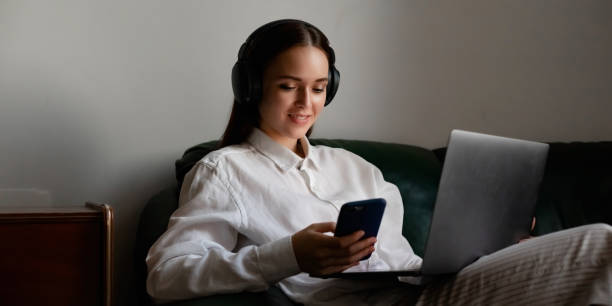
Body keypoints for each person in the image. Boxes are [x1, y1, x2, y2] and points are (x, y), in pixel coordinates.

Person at [146, 19, 612, 305]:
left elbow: (406, 263)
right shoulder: (225, 171)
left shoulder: (357, 168)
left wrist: (494, 248)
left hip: (422, 292)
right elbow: (165, 277)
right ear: (252, 88)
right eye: (289, 85)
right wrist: (289, 255)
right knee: (601, 243)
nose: (306, 102)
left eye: (320, 87)